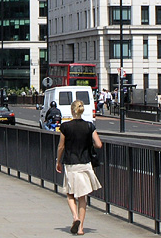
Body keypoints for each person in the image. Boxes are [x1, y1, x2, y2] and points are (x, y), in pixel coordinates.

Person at [56, 100, 102, 236]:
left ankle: (75, 217)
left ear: (72, 111)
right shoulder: (89, 126)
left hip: (71, 163)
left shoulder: (65, 126)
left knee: (70, 194)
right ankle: (81, 228)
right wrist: (88, 146)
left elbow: (61, 146)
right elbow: (99, 144)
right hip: (85, 163)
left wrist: (58, 161)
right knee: (82, 197)